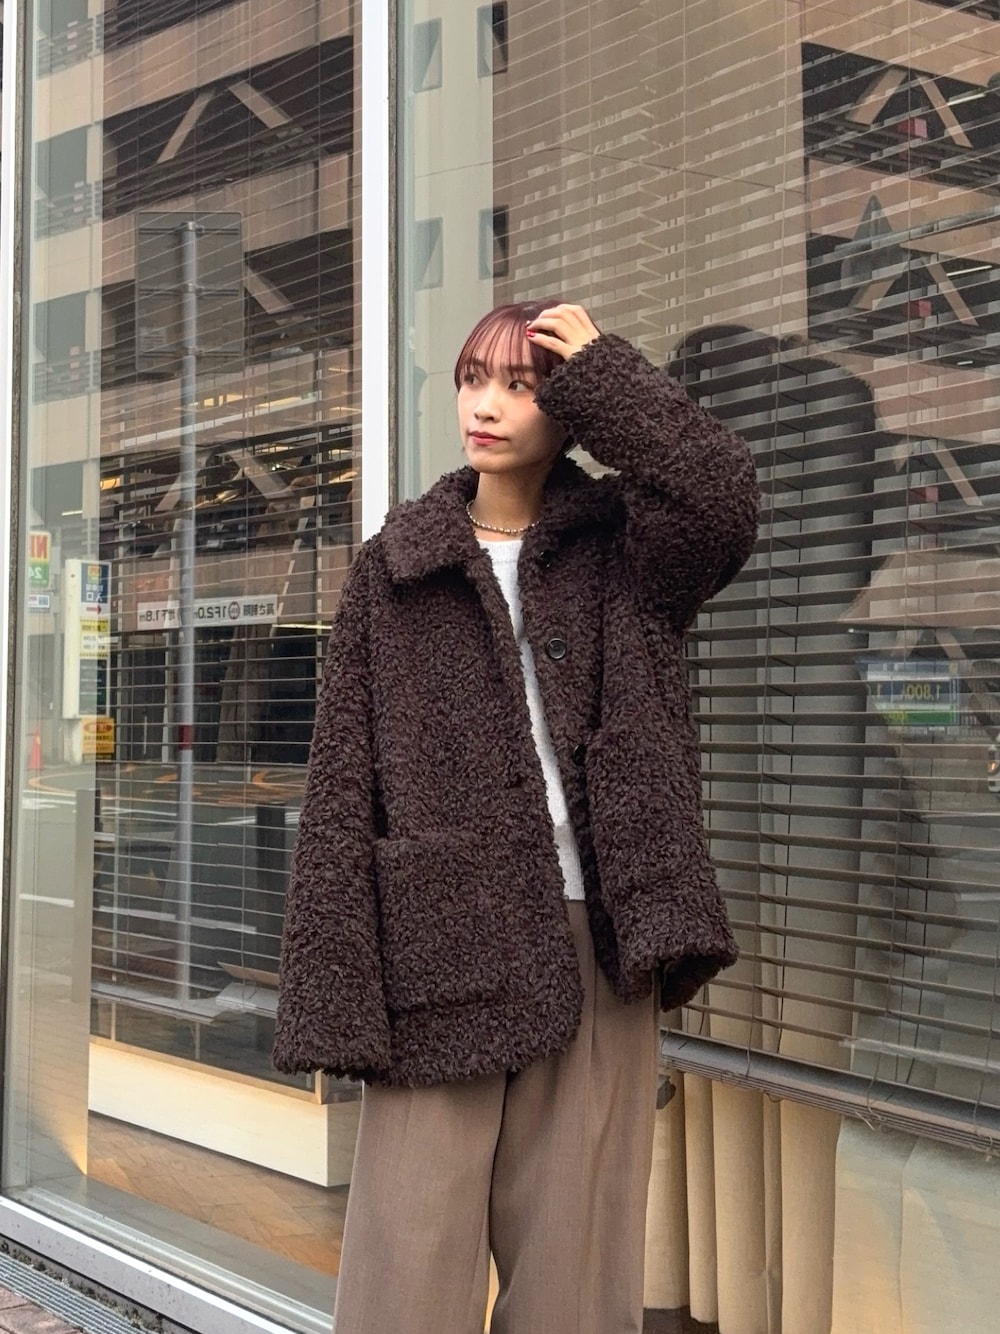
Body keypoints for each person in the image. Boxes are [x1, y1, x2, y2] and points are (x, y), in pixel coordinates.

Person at [273, 301, 759, 1334]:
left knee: (576, 1270)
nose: (485, 406)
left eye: (521, 385)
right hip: (441, 938)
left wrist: (606, 371)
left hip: (600, 937)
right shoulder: (396, 566)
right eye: (472, 380)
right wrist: (335, 994)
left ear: (569, 406)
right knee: (407, 1264)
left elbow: (721, 500)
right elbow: (341, 785)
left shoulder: (626, 553)